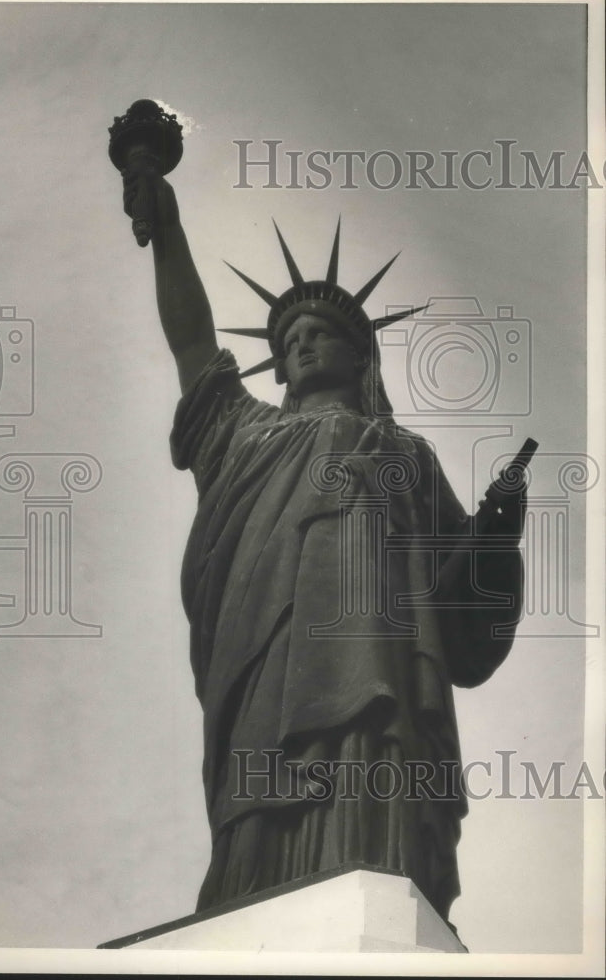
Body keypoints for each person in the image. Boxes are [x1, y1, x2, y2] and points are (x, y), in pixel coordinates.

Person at [122, 171, 525, 930]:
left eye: (320, 335)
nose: (303, 346)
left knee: (375, 771)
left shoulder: (405, 452)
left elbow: (460, 613)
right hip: (266, 660)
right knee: (263, 783)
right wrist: (167, 228)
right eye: (290, 342)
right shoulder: (243, 435)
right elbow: (191, 342)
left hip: (384, 662)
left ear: (358, 354)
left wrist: (496, 531)